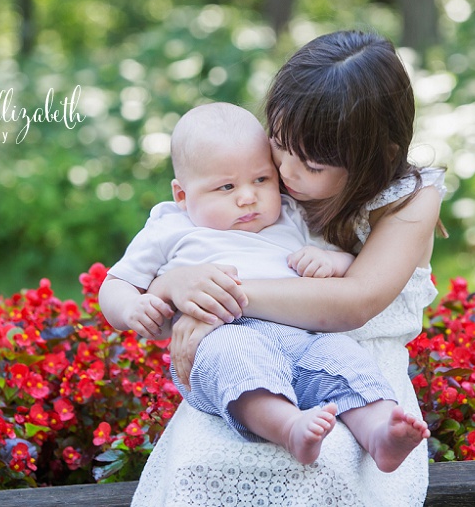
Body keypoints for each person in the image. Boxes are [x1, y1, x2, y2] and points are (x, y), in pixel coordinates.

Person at [125, 30, 447, 507]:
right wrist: (176, 282)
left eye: (311, 165)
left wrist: (222, 300)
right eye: (279, 145)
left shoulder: (410, 200)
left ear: (372, 157)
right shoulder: (269, 187)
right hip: (253, 360)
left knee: (322, 465)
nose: (287, 173)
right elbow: (192, 245)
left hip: (354, 369)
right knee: (206, 457)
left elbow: (353, 302)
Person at [100, 102, 429, 471]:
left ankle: (380, 432)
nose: (247, 196)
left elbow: (354, 271)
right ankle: (289, 426)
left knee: (343, 358)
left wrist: (332, 262)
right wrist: (131, 308)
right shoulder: (171, 226)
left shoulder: (291, 214)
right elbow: (115, 284)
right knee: (236, 359)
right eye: (226, 187)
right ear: (182, 195)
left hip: (302, 334)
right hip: (221, 336)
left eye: (261, 179)